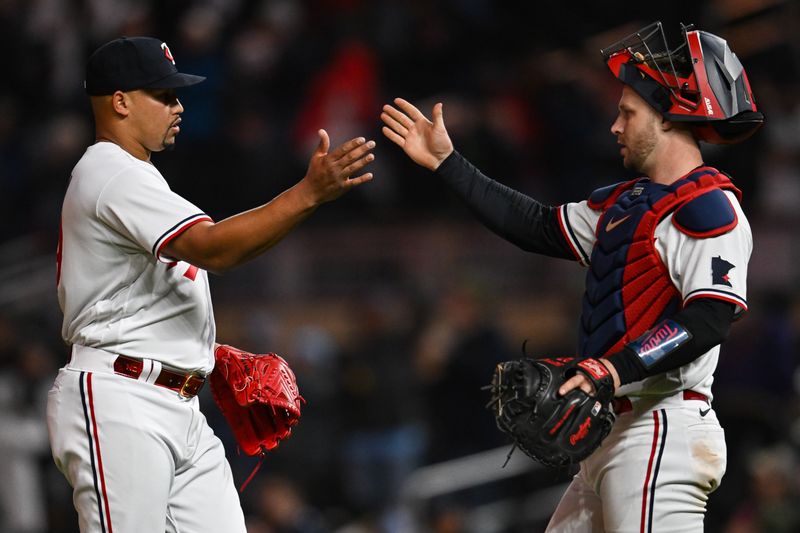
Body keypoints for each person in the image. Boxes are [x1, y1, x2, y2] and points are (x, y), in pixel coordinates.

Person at [381, 22, 763, 531]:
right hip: (612, 432)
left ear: (671, 119)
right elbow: (536, 226)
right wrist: (449, 164)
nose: (615, 126)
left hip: (662, 427)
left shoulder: (709, 208)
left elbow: (711, 318)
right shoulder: (628, 206)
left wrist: (612, 369)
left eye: (627, 113)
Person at [47, 36, 375, 532]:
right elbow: (216, 247)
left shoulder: (140, 180)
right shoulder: (109, 172)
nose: (179, 106)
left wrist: (200, 354)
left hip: (174, 402)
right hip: (120, 399)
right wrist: (307, 194)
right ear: (120, 102)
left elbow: (138, 299)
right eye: (164, 96)